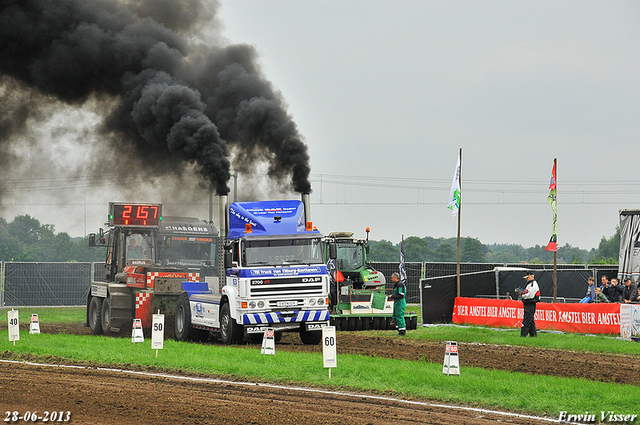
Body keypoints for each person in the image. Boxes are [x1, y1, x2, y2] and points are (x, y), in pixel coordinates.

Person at [519, 272, 540, 337]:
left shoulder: (533, 284)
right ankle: (533, 335)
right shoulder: (529, 284)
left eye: (527, 277)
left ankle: (523, 335)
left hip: (530, 304)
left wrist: (522, 295)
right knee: (530, 321)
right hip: (528, 304)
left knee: (527, 321)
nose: (526, 279)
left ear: (531, 276)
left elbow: (530, 296)